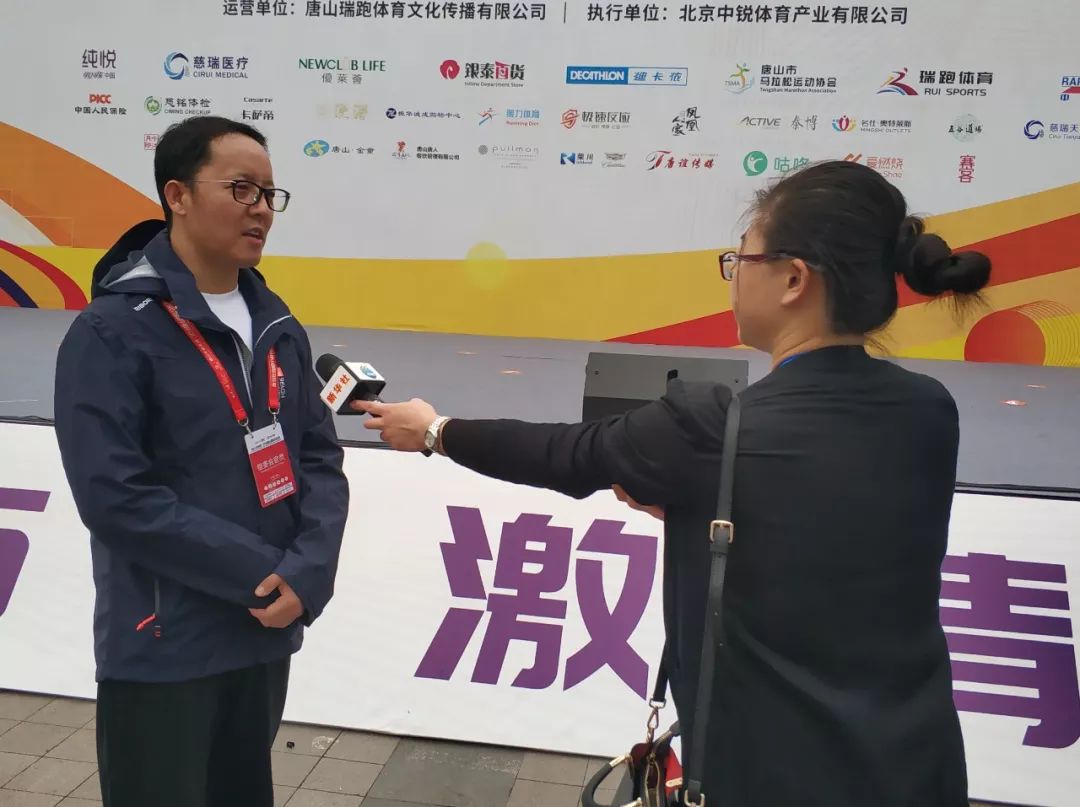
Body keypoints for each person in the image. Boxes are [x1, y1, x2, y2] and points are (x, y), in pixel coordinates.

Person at [356, 160, 991, 807]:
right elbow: (834, 528)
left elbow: (563, 454)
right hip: (917, 767)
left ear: (794, 279)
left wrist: (434, 430)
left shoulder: (709, 428)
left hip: (770, 776)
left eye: (741, 258)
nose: (733, 276)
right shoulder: (928, 409)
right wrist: (709, 504)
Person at [54, 116, 349, 807]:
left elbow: (318, 457)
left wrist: (308, 572)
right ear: (177, 195)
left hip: (263, 632)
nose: (260, 209)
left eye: (269, 194)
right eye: (240, 188)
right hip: (164, 640)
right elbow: (116, 497)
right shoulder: (112, 331)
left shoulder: (276, 324)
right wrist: (262, 573)